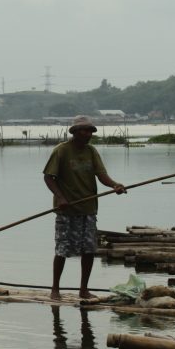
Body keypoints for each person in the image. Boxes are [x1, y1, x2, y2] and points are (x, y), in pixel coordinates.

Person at [43, 115, 126, 300]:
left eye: (90, 131)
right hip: (66, 209)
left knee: (89, 249)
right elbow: (49, 177)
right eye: (84, 130)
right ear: (74, 132)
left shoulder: (91, 151)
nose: (88, 134)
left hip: (88, 208)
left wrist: (115, 185)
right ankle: (55, 289)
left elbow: (101, 175)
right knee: (62, 249)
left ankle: (83, 290)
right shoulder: (61, 151)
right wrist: (60, 197)